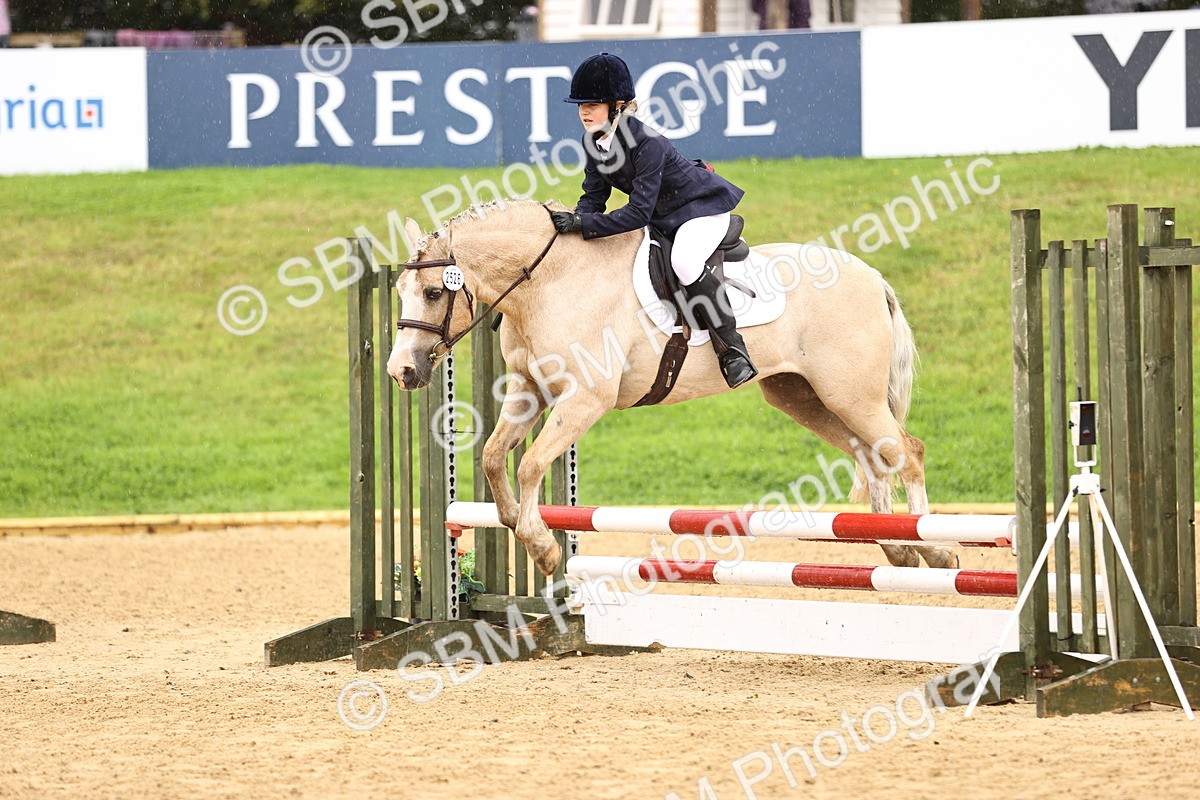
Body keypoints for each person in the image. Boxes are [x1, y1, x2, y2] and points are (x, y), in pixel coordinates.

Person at [550, 53, 758, 388]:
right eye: (580, 104)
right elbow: (594, 197)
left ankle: (733, 351)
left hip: (700, 209)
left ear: (617, 105)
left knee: (685, 262)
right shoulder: (594, 141)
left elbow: (637, 213)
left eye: (593, 104)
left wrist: (582, 226)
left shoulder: (646, 142)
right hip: (664, 217)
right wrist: (575, 223)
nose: (584, 111)